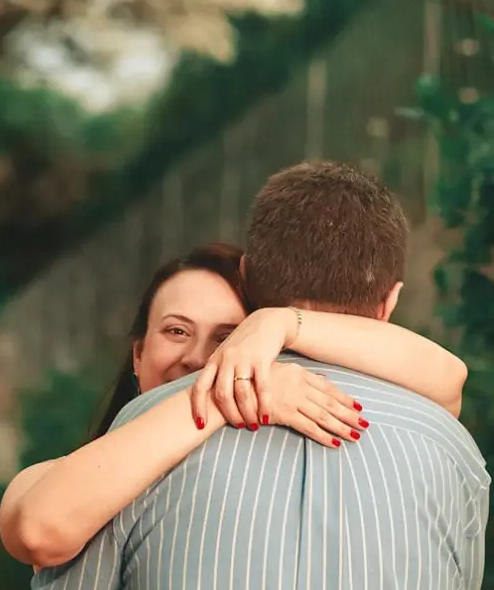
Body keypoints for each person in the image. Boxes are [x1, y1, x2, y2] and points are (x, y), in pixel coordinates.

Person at [28, 161, 489, 590]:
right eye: (175, 330)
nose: (196, 360)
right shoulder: (447, 446)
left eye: (226, 337)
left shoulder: (134, 437)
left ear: (247, 286)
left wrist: (279, 326)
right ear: (389, 302)